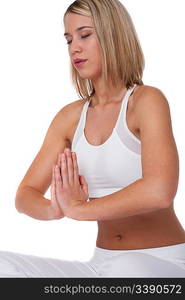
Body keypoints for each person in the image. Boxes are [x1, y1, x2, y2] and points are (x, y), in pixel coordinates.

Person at [0, 0, 185, 278]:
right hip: (103, 265)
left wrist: (80, 209)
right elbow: (25, 195)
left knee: (126, 270)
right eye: (68, 39)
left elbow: (159, 191)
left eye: (85, 35)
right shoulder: (70, 117)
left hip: (163, 262)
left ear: (113, 35)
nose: (75, 47)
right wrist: (55, 208)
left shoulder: (146, 102)